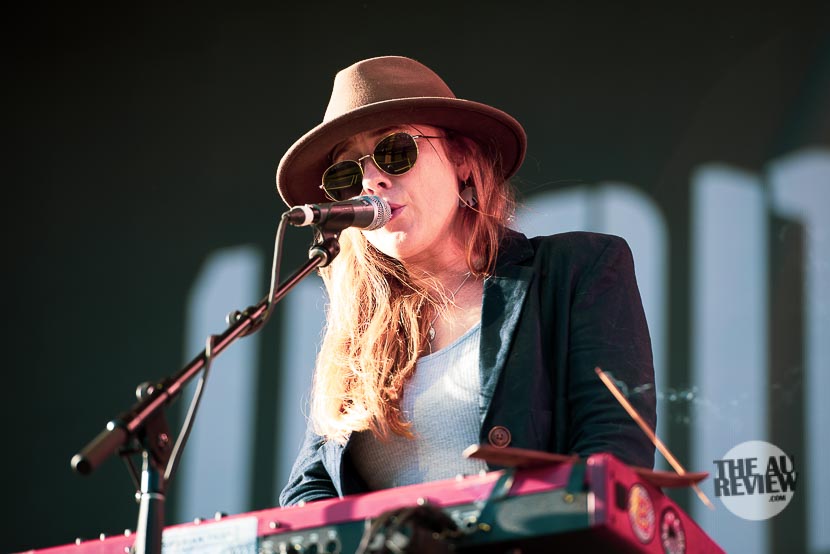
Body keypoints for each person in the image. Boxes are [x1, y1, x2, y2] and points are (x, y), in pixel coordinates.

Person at [276, 56, 656, 506]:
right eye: (346, 174)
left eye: (393, 151)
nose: (371, 181)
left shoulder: (577, 270)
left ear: (460, 159)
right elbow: (308, 490)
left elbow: (613, 451)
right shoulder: (359, 333)